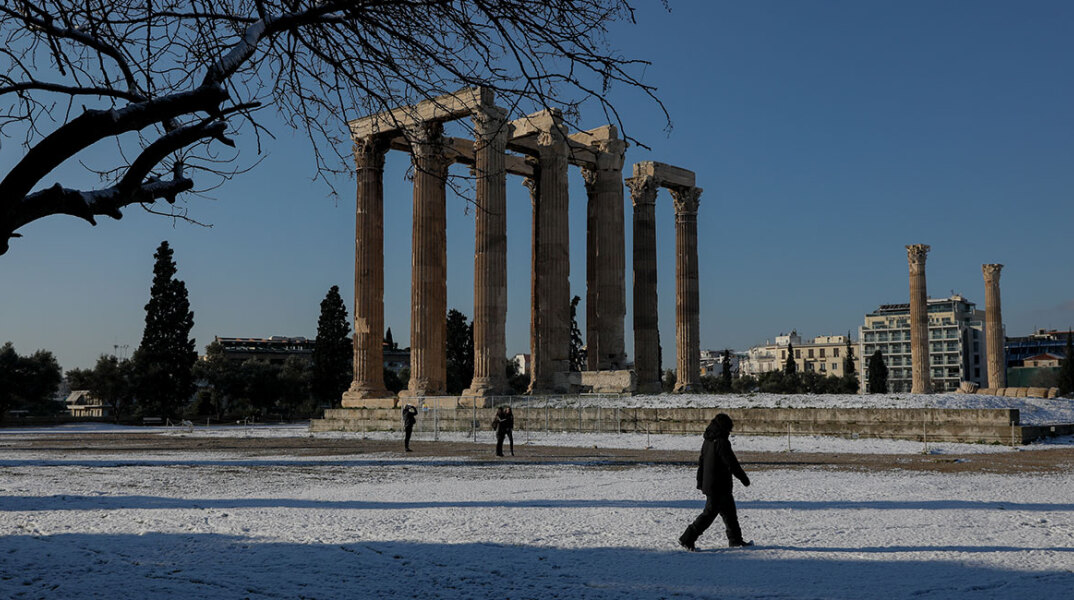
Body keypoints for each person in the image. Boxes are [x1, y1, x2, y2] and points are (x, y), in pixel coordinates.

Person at [679, 413, 752, 551]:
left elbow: (702, 462)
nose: (730, 432)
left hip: (714, 485)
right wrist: (744, 478)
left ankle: (736, 540)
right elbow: (731, 463)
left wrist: (700, 481)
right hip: (718, 486)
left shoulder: (707, 441)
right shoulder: (721, 442)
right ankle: (687, 538)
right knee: (709, 514)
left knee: (730, 514)